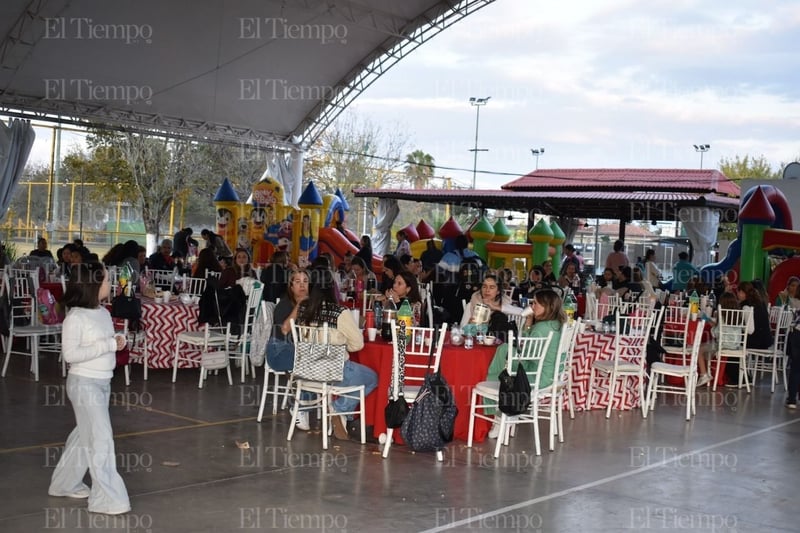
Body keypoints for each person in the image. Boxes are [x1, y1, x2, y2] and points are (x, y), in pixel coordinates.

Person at [48, 261, 130, 515]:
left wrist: (118, 341)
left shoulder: (103, 313)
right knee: (100, 439)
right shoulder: (76, 317)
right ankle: (108, 498)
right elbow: (71, 354)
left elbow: (108, 343)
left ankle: (63, 484)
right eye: (106, 280)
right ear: (93, 285)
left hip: (102, 383)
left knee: (85, 437)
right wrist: (108, 345)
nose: (110, 284)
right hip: (84, 385)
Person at [294, 267, 377, 440]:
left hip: (307, 373)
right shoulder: (340, 312)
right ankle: (340, 408)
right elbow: (358, 344)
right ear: (333, 288)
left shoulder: (302, 309)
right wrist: (340, 346)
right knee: (372, 378)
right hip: (335, 372)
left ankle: (341, 413)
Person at [483, 288, 565, 438]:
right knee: (505, 353)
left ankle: (499, 414)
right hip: (551, 374)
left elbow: (525, 352)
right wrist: (528, 321)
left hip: (536, 376)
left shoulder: (541, 328)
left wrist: (513, 348)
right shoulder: (556, 324)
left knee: (502, 353)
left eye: (536, 303)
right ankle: (504, 414)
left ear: (547, 307)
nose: (532, 306)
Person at [726, 281, 772, 387]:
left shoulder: (747, 306)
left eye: (738, 292)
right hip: (765, 339)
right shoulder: (760, 303)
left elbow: (750, 330)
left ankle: (738, 379)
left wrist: (737, 327)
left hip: (757, 341)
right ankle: (745, 377)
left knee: (732, 346)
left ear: (742, 292)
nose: (737, 295)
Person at [696, 291, 740, 387]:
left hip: (723, 345)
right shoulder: (737, 315)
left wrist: (710, 322)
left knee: (698, 348)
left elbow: (716, 333)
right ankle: (708, 372)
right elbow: (722, 328)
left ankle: (704, 375)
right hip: (735, 345)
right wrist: (710, 321)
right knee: (706, 347)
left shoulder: (722, 316)